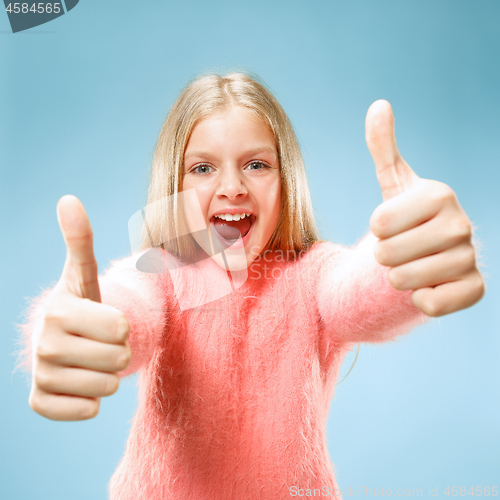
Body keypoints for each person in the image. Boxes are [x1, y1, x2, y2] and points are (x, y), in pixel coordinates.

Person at [17, 72, 484, 500]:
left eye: (256, 165)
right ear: (174, 185)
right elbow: (121, 305)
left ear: (286, 181)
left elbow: (357, 288)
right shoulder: (160, 273)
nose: (232, 187)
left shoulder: (312, 275)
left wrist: (405, 256)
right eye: (203, 168)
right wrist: (74, 327)